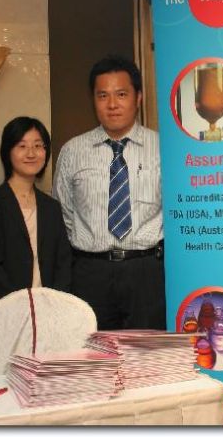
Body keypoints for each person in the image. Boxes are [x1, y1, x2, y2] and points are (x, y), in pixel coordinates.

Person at [53, 55, 165, 330]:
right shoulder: (73, 151)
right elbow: (63, 214)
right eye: (103, 95)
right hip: (91, 273)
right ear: (93, 100)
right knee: (92, 352)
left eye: (121, 94)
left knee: (145, 352)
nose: (112, 104)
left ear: (138, 98)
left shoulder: (163, 148)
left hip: (146, 271)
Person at [0, 116, 73, 315]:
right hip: (4, 311)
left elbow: (63, 263)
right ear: (8, 151)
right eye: (22, 146)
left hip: (49, 311)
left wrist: (53, 303)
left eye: (38, 146)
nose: (31, 153)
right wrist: (19, 306)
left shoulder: (51, 207)